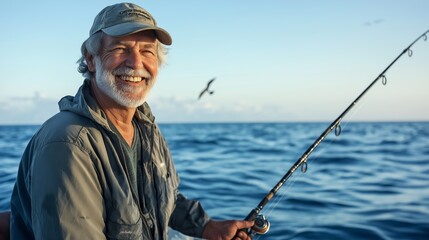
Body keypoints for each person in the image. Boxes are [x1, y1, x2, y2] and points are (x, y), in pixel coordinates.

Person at [9, 2, 253, 239]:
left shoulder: (145, 126)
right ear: (91, 59)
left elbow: (161, 197)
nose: (136, 63)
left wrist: (207, 227)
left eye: (147, 51)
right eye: (119, 48)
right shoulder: (68, 145)